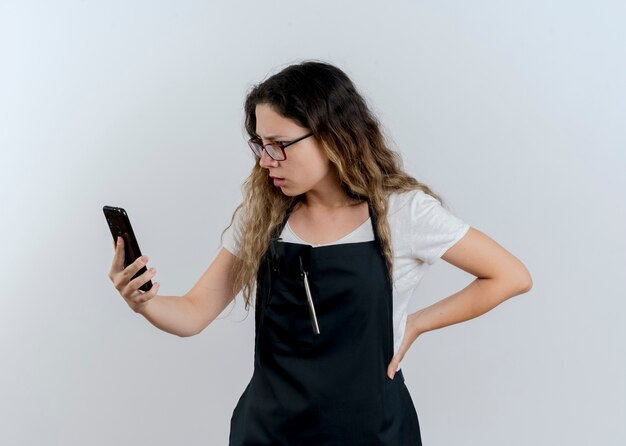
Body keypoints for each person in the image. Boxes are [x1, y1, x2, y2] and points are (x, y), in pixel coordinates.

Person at [108, 60, 533, 445]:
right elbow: (193, 312)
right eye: (259, 144)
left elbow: (510, 276)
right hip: (269, 433)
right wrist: (144, 302)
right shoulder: (264, 217)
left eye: (278, 144)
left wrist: (417, 323)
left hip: (373, 433)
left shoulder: (401, 212)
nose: (265, 161)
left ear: (330, 135)